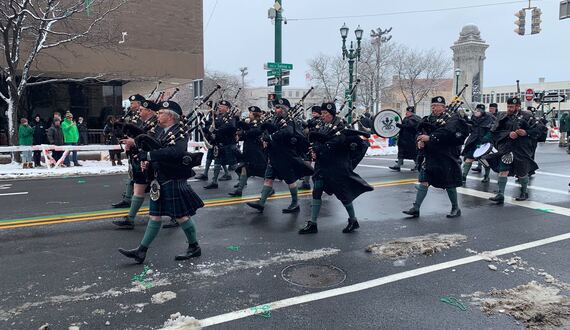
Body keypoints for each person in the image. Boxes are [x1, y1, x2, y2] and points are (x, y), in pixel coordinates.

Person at [118, 101, 203, 263]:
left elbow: (175, 152)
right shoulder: (159, 131)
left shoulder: (180, 132)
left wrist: (149, 157)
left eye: (162, 112)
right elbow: (153, 147)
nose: (158, 115)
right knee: (154, 216)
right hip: (159, 177)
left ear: (171, 116)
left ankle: (194, 247)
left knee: (181, 216)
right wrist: (146, 160)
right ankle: (141, 251)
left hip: (172, 177)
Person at [299, 102, 373, 234]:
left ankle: (353, 220)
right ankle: (313, 223)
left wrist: (321, 148)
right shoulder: (323, 125)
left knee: (342, 195)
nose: (323, 116)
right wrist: (314, 150)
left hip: (336, 167)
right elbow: (318, 141)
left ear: (332, 114)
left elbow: (337, 143)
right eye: (322, 114)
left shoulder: (341, 127)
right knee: (316, 191)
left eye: (325, 114)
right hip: (322, 166)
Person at [402, 96, 468, 218]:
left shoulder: (452, 119)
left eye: (437, 106)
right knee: (424, 180)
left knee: (449, 183)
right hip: (430, 155)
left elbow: (448, 133)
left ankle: (455, 208)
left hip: (446, 155)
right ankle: (416, 208)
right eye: (432, 106)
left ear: (443, 107)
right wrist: (419, 141)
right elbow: (420, 131)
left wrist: (430, 138)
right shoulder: (428, 119)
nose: (434, 108)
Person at [246, 98, 314, 213]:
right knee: (268, 178)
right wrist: (265, 136)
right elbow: (269, 130)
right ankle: (261, 203)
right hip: (273, 154)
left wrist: (271, 137)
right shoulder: (275, 120)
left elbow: (287, 132)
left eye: (279, 108)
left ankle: (295, 203)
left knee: (290, 180)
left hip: (285, 154)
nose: (276, 110)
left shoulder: (290, 120)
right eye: (276, 107)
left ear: (284, 109)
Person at [113, 100, 166, 229]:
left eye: (142, 109)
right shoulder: (145, 123)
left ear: (149, 111)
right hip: (141, 159)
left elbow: (152, 143)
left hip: (152, 161)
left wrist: (134, 142)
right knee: (138, 187)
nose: (139, 111)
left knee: (165, 191)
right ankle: (130, 219)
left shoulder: (157, 125)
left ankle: (177, 216)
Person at [485, 97, 544, 203]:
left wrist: (526, 132)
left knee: (522, 171)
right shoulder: (503, 116)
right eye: (508, 106)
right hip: (506, 147)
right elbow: (495, 131)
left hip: (521, 148)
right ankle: (500, 194)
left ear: (518, 106)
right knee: (503, 170)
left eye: (511, 107)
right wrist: (508, 134)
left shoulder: (527, 116)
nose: (509, 109)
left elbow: (540, 129)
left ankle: (524, 192)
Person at [111, 94, 145, 208]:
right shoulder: (133, 116)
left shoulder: (142, 117)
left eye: (132, 103)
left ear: (139, 104)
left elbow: (140, 133)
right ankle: (128, 199)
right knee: (132, 174)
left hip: (139, 149)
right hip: (132, 148)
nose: (131, 106)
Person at [229, 106, 268, 197]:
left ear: (255, 115)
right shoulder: (250, 124)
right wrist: (240, 134)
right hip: (248, 150)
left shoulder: (260, 124)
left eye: (251, 113)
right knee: (244, 169)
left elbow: (255, 133)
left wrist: (244, 131)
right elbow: (244, 136)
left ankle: (270, 189)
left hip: (257, 152)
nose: (249, 114)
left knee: (263, 172)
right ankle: (239, 191)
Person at [204, 100, 238, 189]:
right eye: (219, 106)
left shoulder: (231, 118)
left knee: (234, 165)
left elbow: (231, 127)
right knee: (217, 162)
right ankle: (214, 182)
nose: (219, 108)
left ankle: (243, 179)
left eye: (222, 107)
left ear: (227, 109)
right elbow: (213, 125)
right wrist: (207, 127)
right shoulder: (219, 117)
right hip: (220, 144)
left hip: (229, 144)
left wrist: (218, 130)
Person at [461, 104, 495, 183]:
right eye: (477, 110)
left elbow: (492, 130)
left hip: (483, 143)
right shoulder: (473, 117)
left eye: (479, 110)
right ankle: (463, 176)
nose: (477, 111)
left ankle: (486, 176)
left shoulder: (489, 118)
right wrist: (465, 119)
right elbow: (471, 127)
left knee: (484, 160)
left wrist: (487, 137)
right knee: (469, 158)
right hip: (473, 141)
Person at [389, 106, 420, 172]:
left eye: (408, 112)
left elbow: (410, 126)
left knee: (413, 153)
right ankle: (398, 165)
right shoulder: (407, 118)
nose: (407, 113)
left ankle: (418, 165)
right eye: (407, 111)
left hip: (410, 139)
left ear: (412, 112)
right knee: (401, 152)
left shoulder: (415, 118)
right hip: (404, 138)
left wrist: (400, 125)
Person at [299, 105, 322, 190]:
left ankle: (318, 181)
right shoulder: (312, 120)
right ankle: (306, 182)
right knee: (307, 162)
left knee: (318, 164)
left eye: (315, 113)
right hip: (309, 143)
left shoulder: (320, 121)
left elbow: (313, 126)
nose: (313, 114)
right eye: (312, 113)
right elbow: (306, 126)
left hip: (317, 144)